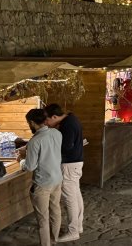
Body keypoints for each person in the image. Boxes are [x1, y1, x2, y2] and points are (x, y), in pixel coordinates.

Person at [20, 109, 63, 246]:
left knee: (43, 218)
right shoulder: (57, 133)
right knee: (55, 211)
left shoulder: (35, 141)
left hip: (42, 184)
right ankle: (54, 239)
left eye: (29, 123)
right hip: (57, 179)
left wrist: (21, 160)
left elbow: (30, 167)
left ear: (32, 122)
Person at [45, 104, 85, 243]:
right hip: (76, 162)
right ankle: (78, 226)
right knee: (76, 195)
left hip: (69, 164)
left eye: (47, 120)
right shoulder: (71, 118)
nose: (47, 124)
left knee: (69, 198)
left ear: (54, 117)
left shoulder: (67, 125)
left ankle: (73, 230)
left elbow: (66, 147)